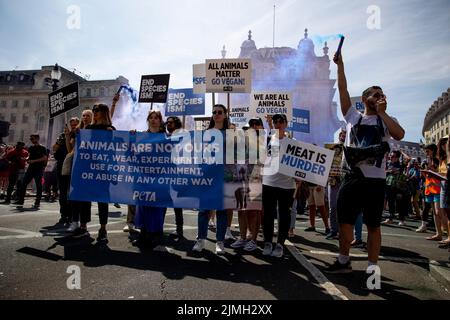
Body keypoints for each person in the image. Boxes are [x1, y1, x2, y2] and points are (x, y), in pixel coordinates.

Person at [326, 53, 405, 274]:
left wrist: (384, 113)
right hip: (352, 178)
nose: (380, 96)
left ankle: (372, 267)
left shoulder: (388, 120)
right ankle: (343, 261)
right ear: (364, 99)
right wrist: (341, 66)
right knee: (345, 222)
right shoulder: (353, 116)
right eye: (375, 94)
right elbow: (343, 90)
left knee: (373, 225)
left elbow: (399, 134)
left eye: (382, 94)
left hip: (375, 182)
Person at [71, 104, 115, 243]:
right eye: (94, 110)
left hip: (103, 170)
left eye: (97, 111)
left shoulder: (110, 129)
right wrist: (76, 135)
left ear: (104, 113)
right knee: (85, 198)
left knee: (102, 199)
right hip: (87, 168)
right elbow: (78, 146)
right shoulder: (88, 128)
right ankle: (83, 226)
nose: (95, 113)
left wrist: (112, 135)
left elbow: (116, 148)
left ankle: (103, 229)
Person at [192, 104, 230, 255]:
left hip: (223, 176)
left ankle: (220, 241)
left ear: (225, 115)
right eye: (214, 112)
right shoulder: (205, 134)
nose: (216, 114)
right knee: (203, 210)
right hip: (206, 176)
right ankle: (201, 239)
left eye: (220, 112)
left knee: (221, 210)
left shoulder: (231, 134)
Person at [261, 114, 296, 258]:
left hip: (287, 184)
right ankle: (268, 242)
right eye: (275, 121)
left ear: (286, 124)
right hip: (269, 182)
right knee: (268, 214)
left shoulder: (293, 142)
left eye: (281, 121)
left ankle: (280, 244)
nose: (278, 123)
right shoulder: (268, 139)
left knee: (284, 214)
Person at [132, 110, 167, 249]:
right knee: (143, 206)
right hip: (144, 177)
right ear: (148, 120)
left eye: (156, 118)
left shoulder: (165, 137)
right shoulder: (142, 136)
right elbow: (133, 153)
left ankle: (156, 235)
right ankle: (143, 234)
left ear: (160, 121)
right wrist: (132, 138)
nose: (153, 120)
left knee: (157, 207)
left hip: (159, 178)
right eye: (151, 118)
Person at [14, 134, 49, 209]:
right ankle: (21, 200)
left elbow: (45, 158)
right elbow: (29, 156)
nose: (31, 140)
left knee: (38, 185)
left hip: (39, 169)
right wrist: (26, 158)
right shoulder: (31, 148)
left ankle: (37, 202)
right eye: (31, 139)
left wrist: (34, 161)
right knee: (23, 184)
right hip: (31, 168)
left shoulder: (42, 148)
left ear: (37, 139)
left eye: (32, 139)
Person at [165, 116, 185, 239]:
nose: (168, 124)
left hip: (177, 173)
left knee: (177, 203)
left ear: (176, 124)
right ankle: (156, 227)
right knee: (163, 199)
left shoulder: (182, 137)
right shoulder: (164, 137)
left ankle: (179, 229)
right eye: (167, 122)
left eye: (171, 122)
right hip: (164, 173)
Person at [325, 128, 346, 240]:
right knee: (332, 207)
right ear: (339, 136)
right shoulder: (332, 148)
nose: (343, 137)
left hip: (345, 181)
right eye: (342, 135)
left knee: (344, 208)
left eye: (345, 135)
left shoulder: (350, 148)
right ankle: (334, 230)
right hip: (333, 180)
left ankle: (343, 232)